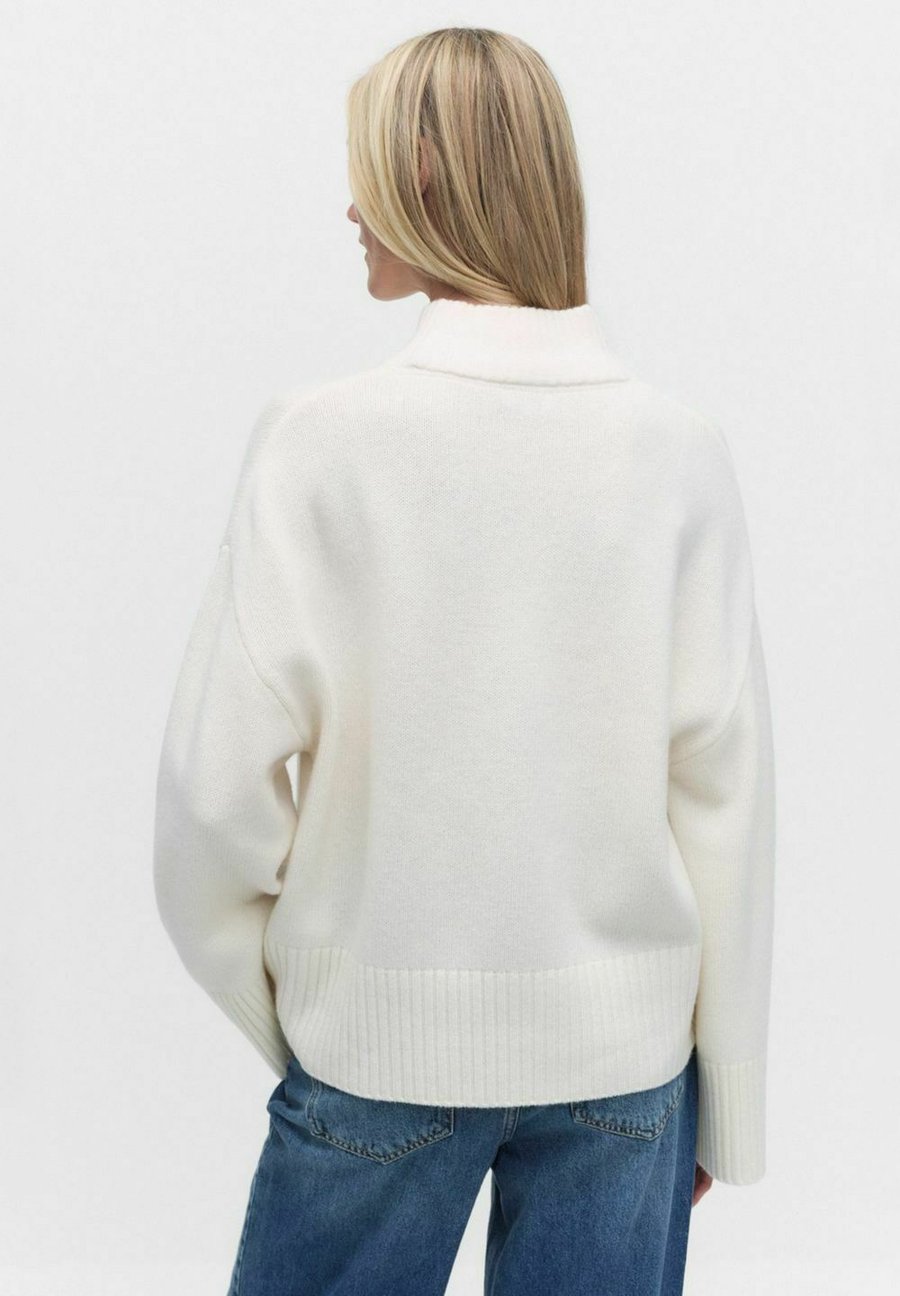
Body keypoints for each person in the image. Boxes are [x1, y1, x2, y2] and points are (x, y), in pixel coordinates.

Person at [153, 25, 776, 1296]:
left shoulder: (321, 444)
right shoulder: (678, 451)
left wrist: (309, 1008)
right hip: (625, 1072)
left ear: (427, 175)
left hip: (377, 1056)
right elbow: (727, 799)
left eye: (368, 167)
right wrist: (730, 1101)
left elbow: (212, 799)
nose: (351, 205)